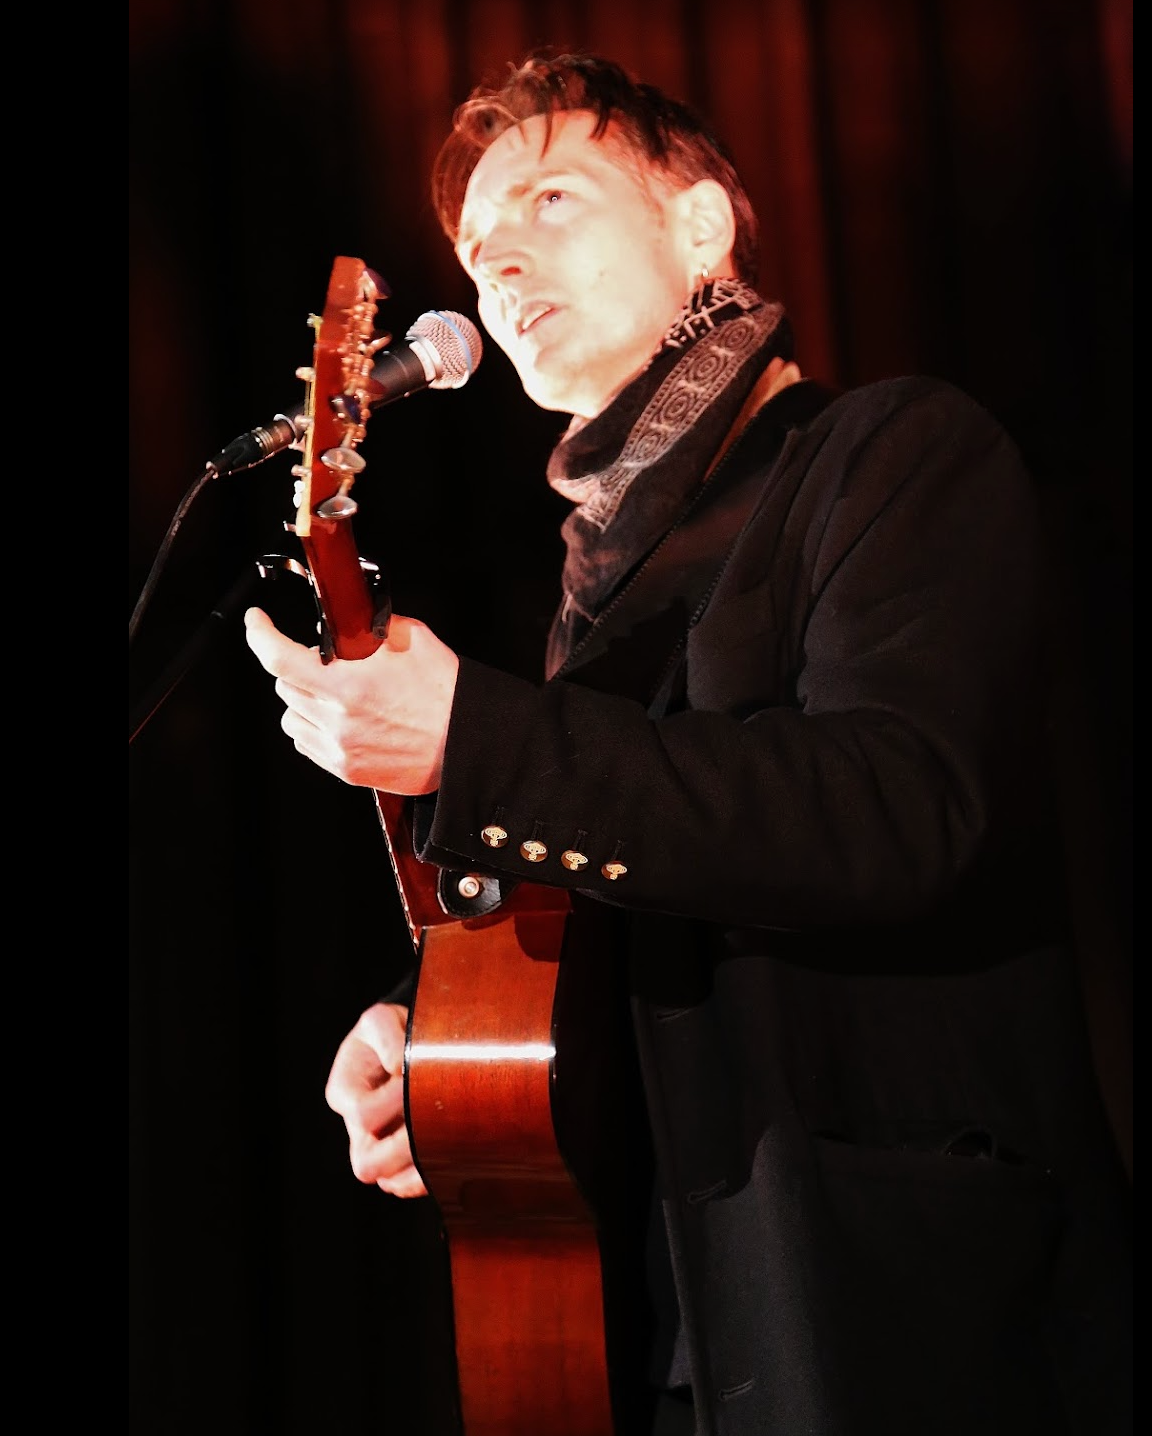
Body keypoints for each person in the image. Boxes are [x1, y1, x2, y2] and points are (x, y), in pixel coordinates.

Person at [243, 51, 1131, 1436]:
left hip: (887, 1310)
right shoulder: (591, 599)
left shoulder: (891, 453)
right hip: (666, 1326)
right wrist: (446, 1063)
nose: (504, 267)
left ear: (702, 224)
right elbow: (639, 944)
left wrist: (479, 738)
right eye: (480, 249)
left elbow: (899, 808)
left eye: (550, 201)